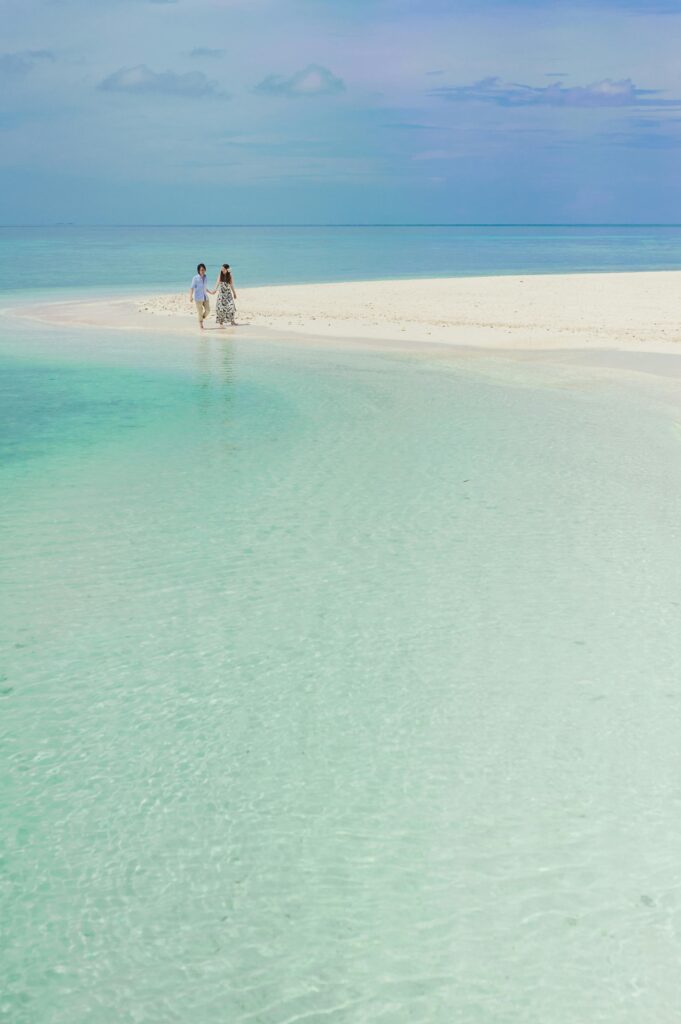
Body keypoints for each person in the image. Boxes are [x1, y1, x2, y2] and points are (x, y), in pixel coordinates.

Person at [214, 263, 238, 327]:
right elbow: (217, 283)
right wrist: (215, 290)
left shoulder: (230, 276)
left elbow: (231, 285)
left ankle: (232, 321)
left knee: (231, 307)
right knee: (221, 308)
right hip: (221, 295)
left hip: (228, 294)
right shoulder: (220, 275)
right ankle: (221, 323)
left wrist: (234, 293)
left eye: (224, 269)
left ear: (227, 269)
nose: (222, 270)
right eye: (222, 269)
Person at [189, 263, 210, 329]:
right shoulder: (195, 278)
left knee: (208, 310)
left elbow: (205, 287)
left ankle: (202, 317)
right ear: (198, 271)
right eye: (201, 270)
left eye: (203, 270)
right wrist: (190, 296)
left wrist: (210, 292)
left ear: (205, 270)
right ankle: (201, 324)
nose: (202, 271)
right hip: (198, 298)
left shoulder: (206, 277)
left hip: (205, 297)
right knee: (200, 311)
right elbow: (192, 287)